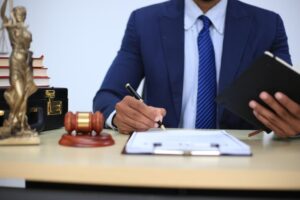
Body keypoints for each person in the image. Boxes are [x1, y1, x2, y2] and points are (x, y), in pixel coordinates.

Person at [93, 0, 297, 137]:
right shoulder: (144, 22)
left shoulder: (268, 25)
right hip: (160, 163)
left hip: (242, 167)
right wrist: (120, 117)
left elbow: (291, 101)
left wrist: (296, 124)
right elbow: (107, 98)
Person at [0, 0, 37, 137]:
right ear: (15, 15)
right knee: (19, 94)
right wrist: (5, 1)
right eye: (19, 14)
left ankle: (20, 124)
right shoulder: (12, 28)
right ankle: (12, 120)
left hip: (26, 63)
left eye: (23, 14)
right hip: (15, 61)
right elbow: (2, 14)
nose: (22, 16)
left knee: (25, 96)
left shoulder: (25, 30)